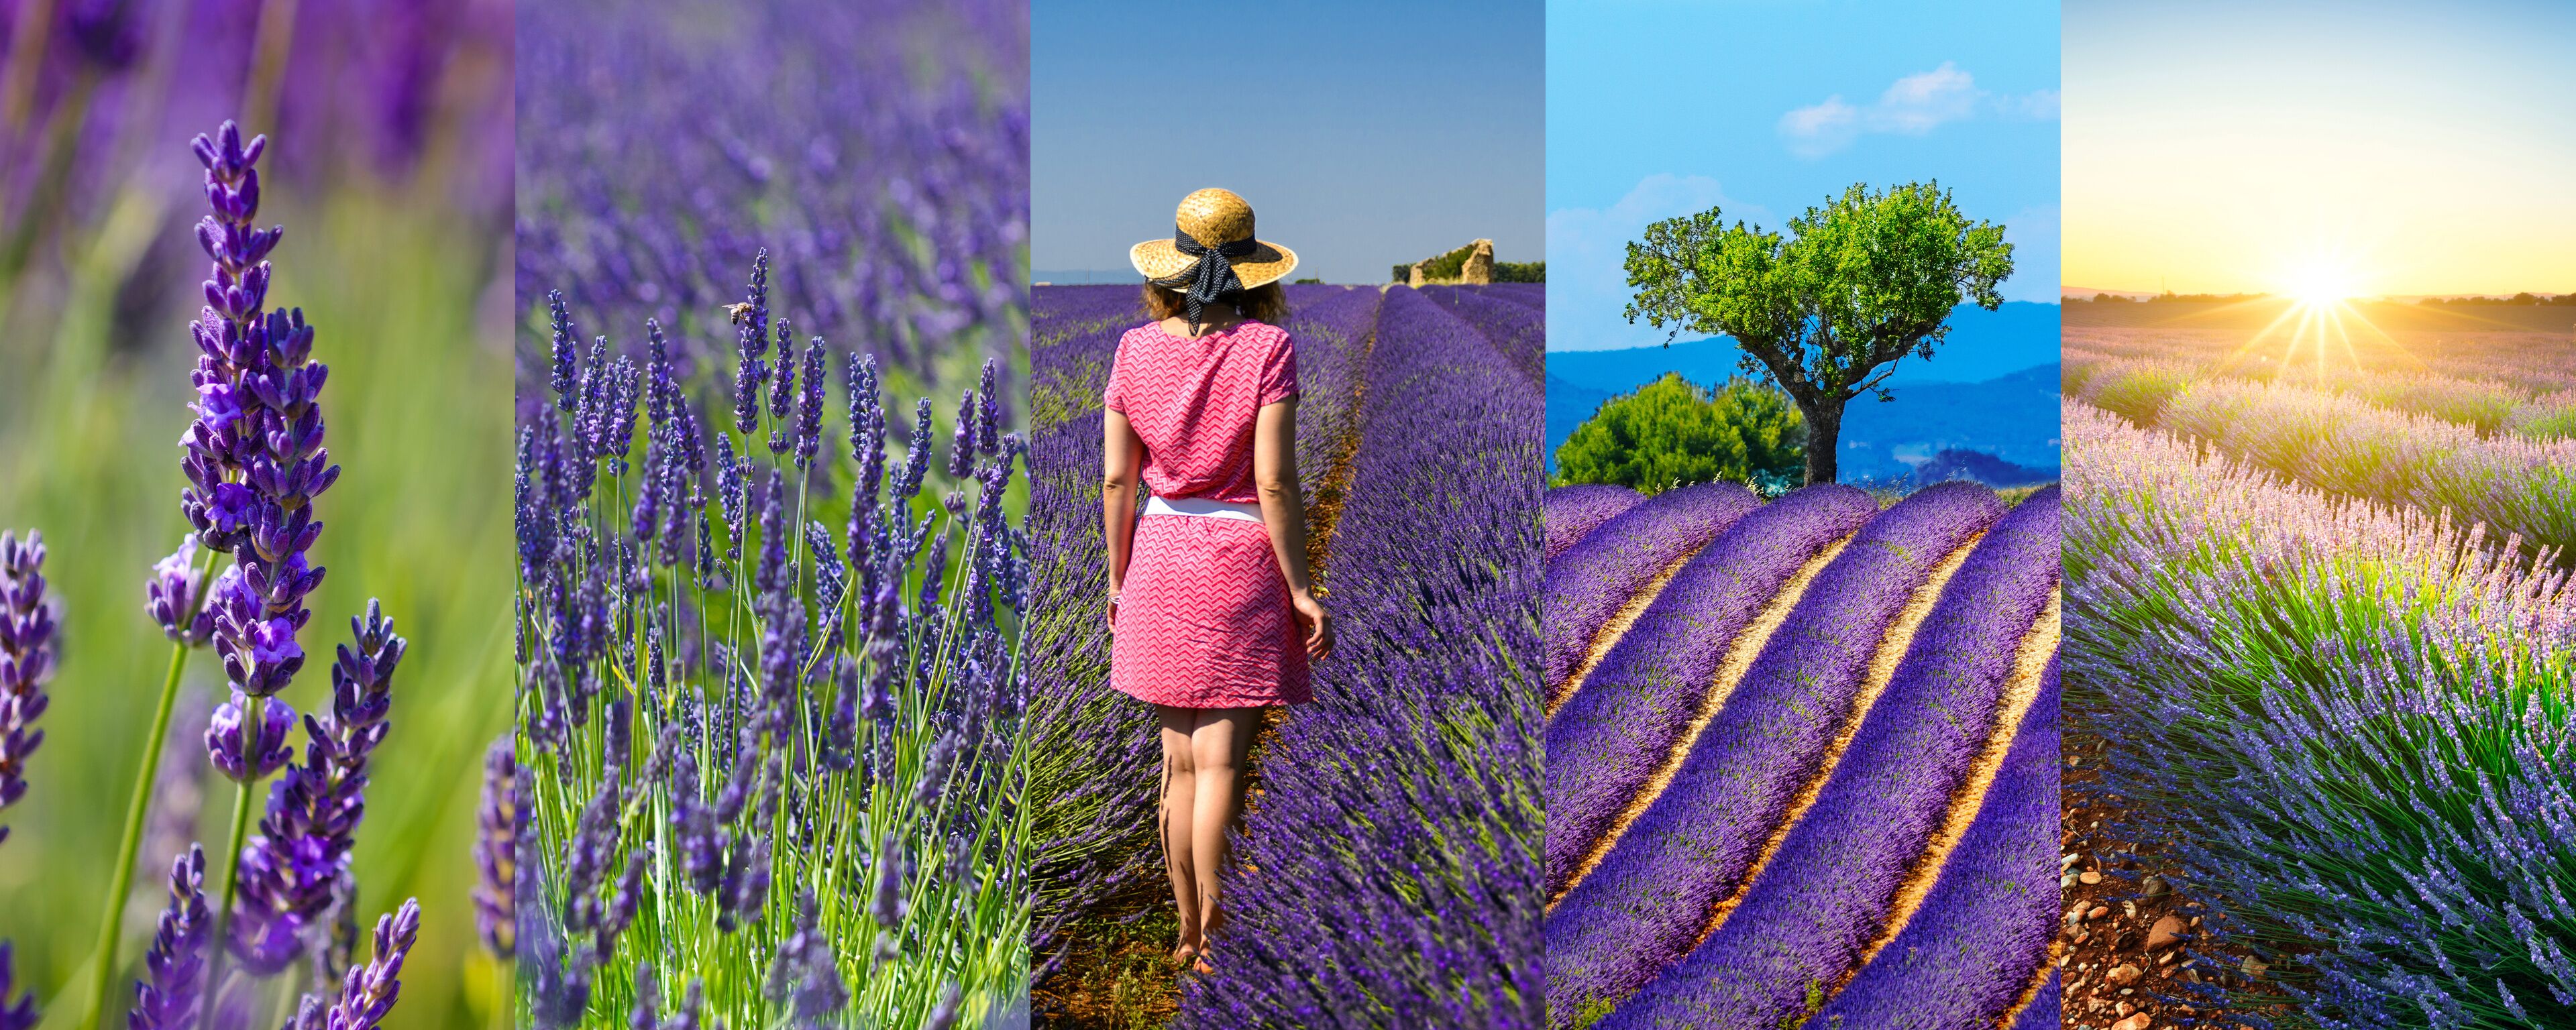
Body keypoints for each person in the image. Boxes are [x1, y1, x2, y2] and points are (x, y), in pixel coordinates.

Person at [1100, 187, 1334, 974]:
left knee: (1177, 765)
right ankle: (1216, 937)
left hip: (1160, 554)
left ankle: (1184, 930)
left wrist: (1118, 574)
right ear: (1255, 273)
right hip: (1238, 561)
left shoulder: (1133, 350)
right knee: (1222, 764)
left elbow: (1114, 481)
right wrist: (1300, 587)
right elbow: (1275, 483)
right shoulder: (1268, 350)